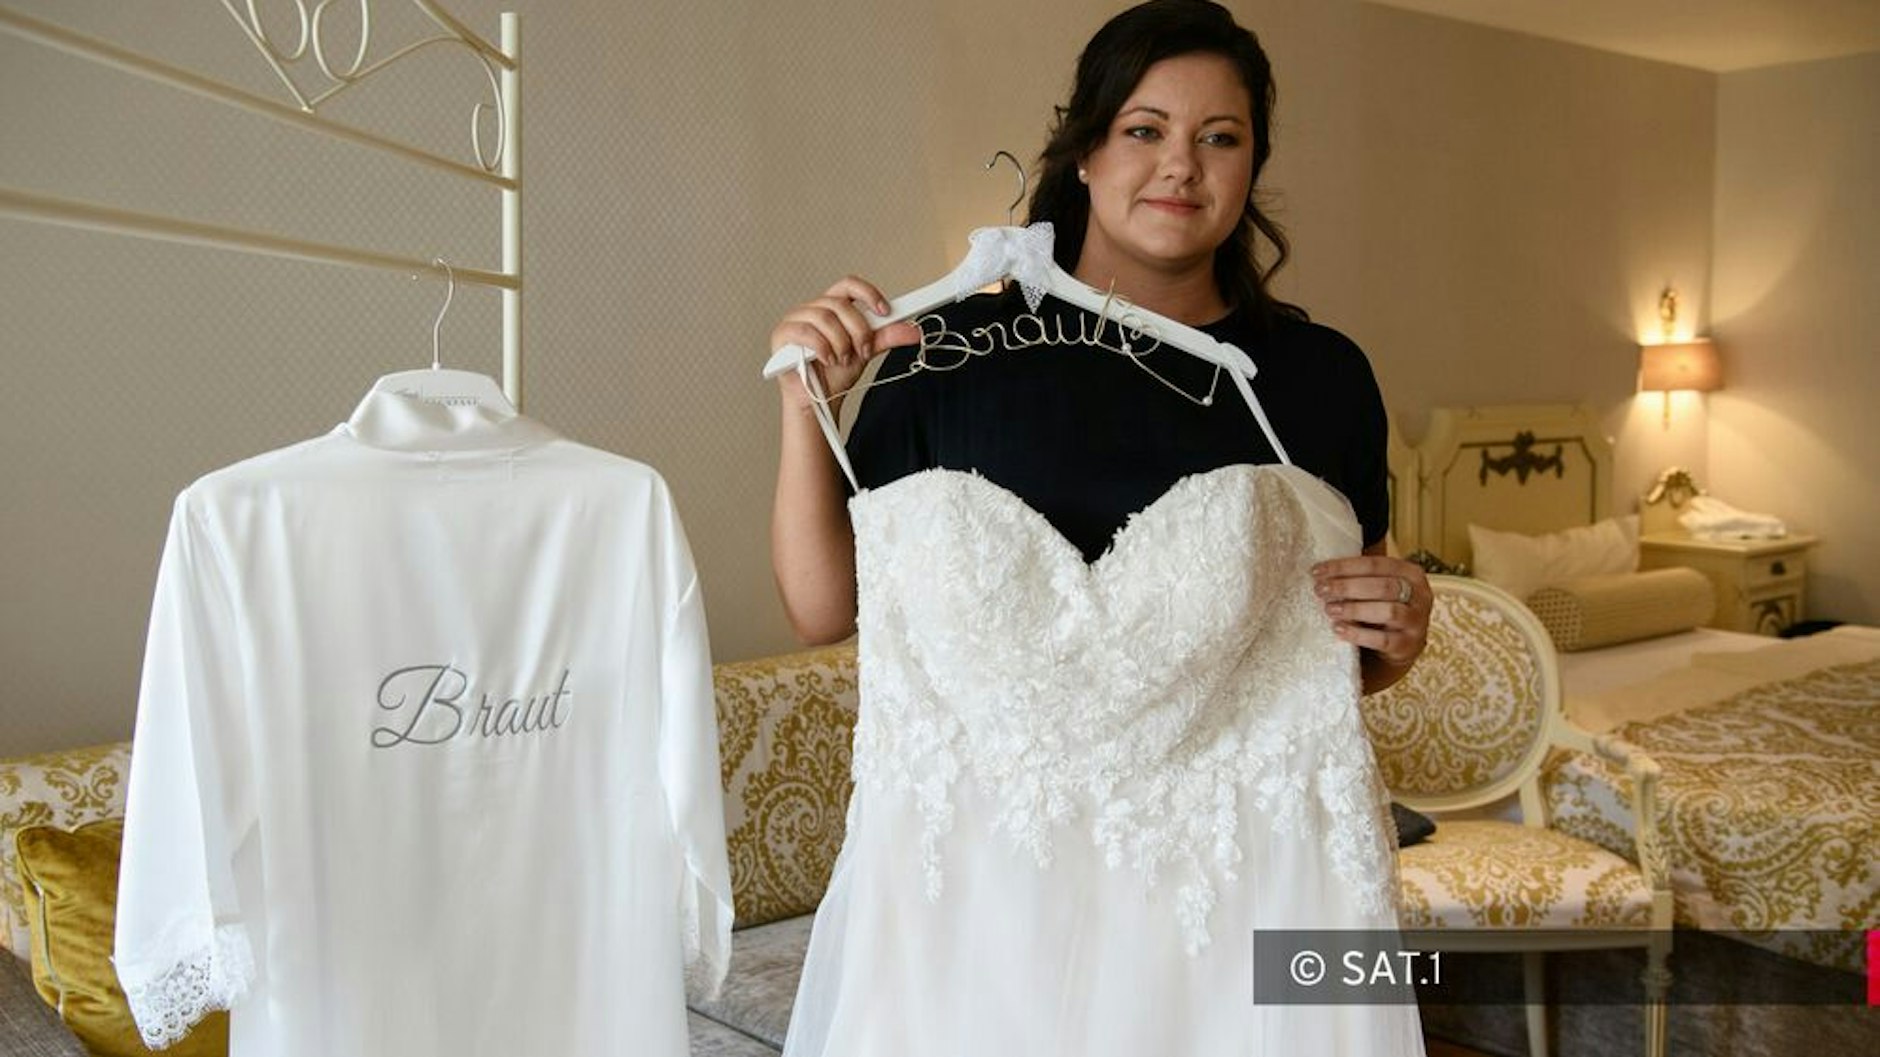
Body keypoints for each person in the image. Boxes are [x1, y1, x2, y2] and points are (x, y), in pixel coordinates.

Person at [768, 2, 1428, 1053]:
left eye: (1220, 138)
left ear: (1252, 164)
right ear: (1081, 148)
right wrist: (807, 412)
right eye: (1144, 129)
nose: (1181, 166)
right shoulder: (948, 355)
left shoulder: (1316, 380)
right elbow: (820, 610)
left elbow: (1331, 661)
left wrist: (1400, 633)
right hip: (981, 908)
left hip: (1235, 898)